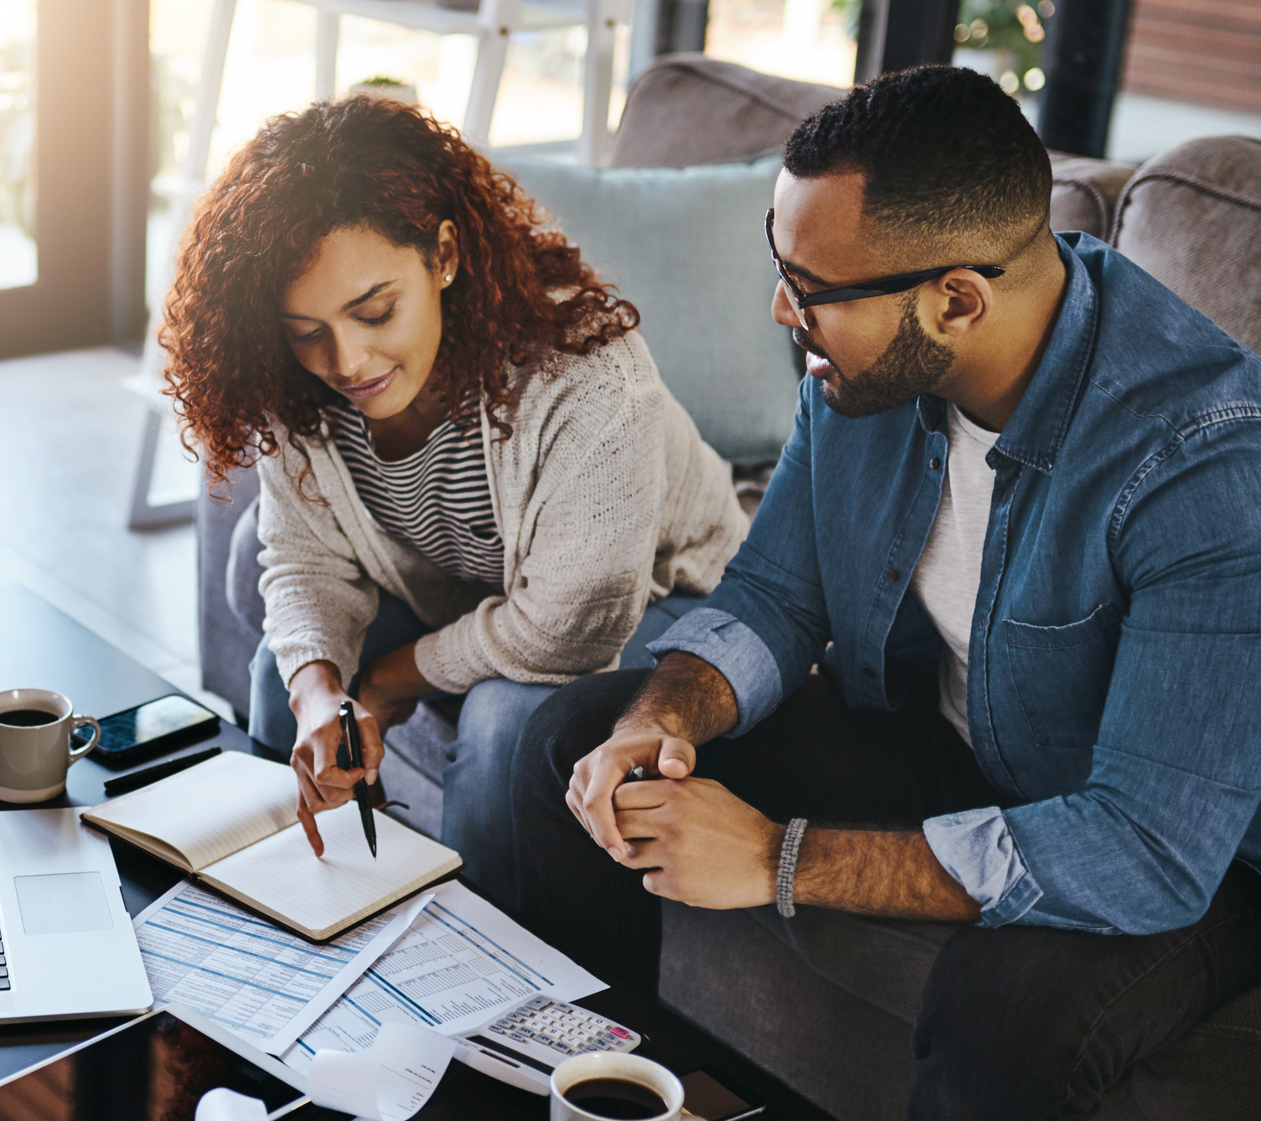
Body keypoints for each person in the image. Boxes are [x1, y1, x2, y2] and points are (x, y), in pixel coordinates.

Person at [511, 65, 1261, 1118]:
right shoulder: (864, 367)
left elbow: (1145, 844)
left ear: (958, 298)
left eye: (810, 288)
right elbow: (780, 595)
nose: (783, 307)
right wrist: (665, 713)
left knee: (1000, 1015)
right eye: (783, 263)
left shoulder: (1203, 461)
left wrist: (778, 858)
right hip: (950, 746)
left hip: (1185, 841)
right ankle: (618, 1087)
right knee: (574, 745)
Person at [159, 95, 747, 904]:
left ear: (442, 255)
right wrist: (321, 693)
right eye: (307, 329)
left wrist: (390, 681)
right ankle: (290, 914)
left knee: (507, 726)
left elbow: (563, 627)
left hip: (664, 594)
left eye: (375, 311)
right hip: (474, 585)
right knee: (281, 672)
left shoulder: (589, 378)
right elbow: (300, 556)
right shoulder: (300, 379)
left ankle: (503, 991)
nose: (347, 358)